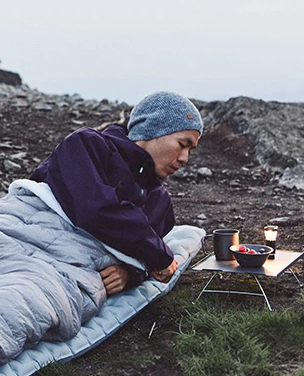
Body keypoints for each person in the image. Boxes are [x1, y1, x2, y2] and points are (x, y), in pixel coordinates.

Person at [30, 91, 202, 296]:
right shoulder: (87, 145)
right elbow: (94, 209)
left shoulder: (160, 204)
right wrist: (160, 255)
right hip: (27, 232)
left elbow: (140, 255)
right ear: (152, 130)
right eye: (182, 145)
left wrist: (129, 273)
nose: (185, 158)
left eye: (190, 151)